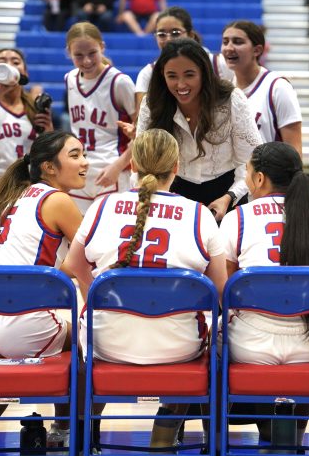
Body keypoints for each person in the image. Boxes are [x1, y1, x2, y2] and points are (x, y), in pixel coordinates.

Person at [62, 128, 226, 450]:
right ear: (176, 167)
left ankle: (85, 437)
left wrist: (101, 289)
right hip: (178, 347)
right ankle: (162, 439)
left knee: (86, 336)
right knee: (211, 339)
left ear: (132, 164)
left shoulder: (101, 206)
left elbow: (71, 265)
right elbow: (221, 292)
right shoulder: (199, 215)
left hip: (106, 342)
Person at [0, 131, 87, 453]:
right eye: (74, 155)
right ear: (49, 167)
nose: (84, 162)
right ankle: (63, 429)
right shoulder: (57, 200)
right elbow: (92, 255)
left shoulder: (10, 197)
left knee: (8, 347)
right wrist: (61, 276)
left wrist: (56, 275)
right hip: (22, 325)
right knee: (87, 339)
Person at [219, 141, 309, 444]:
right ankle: (294, 436)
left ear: (260, 178)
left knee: (220, 328)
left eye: (248, 172)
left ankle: (228, 432)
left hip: (251, 346)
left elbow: (226, 292)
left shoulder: (239, 218)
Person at [137, 38, 261, 221]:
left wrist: (229, 197)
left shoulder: (231, 99)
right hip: (172, 192)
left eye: (189, 75)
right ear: (162, 75)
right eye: (172, 76)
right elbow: (142, 161)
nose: (181, 84)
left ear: (204, 73)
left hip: (228, 190)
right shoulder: (152, 103)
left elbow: (251, 160)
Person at [0, 48, 54, 208]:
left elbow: (49, 152)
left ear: (25, 74)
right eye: (2, 61)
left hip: (29, 189)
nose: (9, 65)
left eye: (15, 62)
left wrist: (49, 127)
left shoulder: (35, 106)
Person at [65, 21, 135, 213]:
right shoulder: (69, 79)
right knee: (77, 237)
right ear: (69, 53)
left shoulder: (119, 82)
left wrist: (119, 165)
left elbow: (144, 129)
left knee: (109, 238)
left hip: (113, 170)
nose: (86, 61)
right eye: (78, 55)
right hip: (80, 170)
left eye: (92, 53)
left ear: (102, 47)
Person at [222, 20, 303, 155]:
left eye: (238, 42)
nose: (229, 48)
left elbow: (295, 152)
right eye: (225, 42)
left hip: (269, 175)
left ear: (257, 50)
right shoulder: (224, 90)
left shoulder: (278, 88)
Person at [134, 6, 233, 115]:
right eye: (161, 34)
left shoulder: (219, 64)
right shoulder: (148, 74)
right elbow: (141, 119)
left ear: (190, 35)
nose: (168, 39)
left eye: (175, 33)